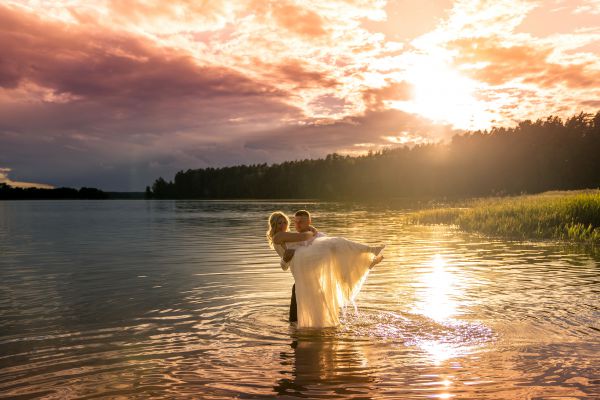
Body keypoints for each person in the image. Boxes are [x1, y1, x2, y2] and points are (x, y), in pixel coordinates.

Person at [266, 210, 384, 328]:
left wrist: (310, 229)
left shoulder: (289, 236)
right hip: (302, 276)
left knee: (336, 255)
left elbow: (300, 244)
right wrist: (311, 232)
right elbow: (302, 240)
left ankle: (367, 259)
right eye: (279, 223)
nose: (282, 226)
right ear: (273, 225)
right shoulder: (279, 236)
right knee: (336, 244)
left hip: (308, 272)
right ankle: (368, 258)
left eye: (284, 222)